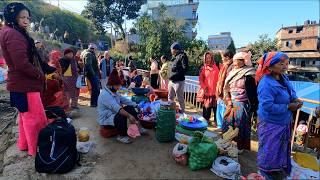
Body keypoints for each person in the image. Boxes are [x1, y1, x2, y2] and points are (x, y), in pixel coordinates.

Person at [0, 2, 56, 156]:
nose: (26, 20)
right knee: (35, 119)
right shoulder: (13, 34)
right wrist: (39, 74)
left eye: (27, 17)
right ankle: (37, 150)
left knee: (25, 118)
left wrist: (44, 69)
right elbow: (21, 63)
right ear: (12, 17)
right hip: (25, 85)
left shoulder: (11, 31)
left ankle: (25, 145)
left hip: (19, 84)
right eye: (21, 17)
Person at [256, 52, 302, 179]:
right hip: (270, 124)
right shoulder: (266, 83)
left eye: (286, 64)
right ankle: (266, 174)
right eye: (281, 64)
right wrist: (288, 106)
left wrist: (296, 99)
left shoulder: (284, 79)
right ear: (269, 67)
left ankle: (276, 170)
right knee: (269, 151)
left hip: (283, 122)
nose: (285, 66)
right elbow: (267, 106)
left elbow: (291, 93)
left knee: (279, 150)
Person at [97, 69, 146, 144]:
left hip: (114, 115)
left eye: (119, 85)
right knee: (120, 115)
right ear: (110, 85)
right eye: (117, 85)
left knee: (130, 108)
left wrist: (136, 105)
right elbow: (117, 108)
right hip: (106, 120)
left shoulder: (114, 92)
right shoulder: (105, 95)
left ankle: (139, 127)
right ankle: (121, 136)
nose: (119, 87)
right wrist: (129, 116)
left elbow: (124, 100)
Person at [223, 51, 257, 152]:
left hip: (242, 104)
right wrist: (228, 100)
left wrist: (254, 106)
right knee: (228, 124)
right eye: (235, 60)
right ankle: (228, 143)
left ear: (244, 61)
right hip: (231, 102)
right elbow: (226, 88)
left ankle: (240, 147)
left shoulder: (249, 73)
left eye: (239, 60)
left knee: (240, 126)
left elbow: (252, 92)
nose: (236, 62)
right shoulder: (232, 71)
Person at [199, 52, 219, 126]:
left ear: (212, 58)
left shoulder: (217, 66)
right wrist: (204, 87)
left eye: (209, 57)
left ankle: (216, 122)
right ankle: (205, 123)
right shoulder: (203, 68)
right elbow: (201, 80)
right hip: (207, 92)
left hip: (216, 93)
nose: (208, 59)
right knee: (206, 110)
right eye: (206, 58)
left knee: (216, 109)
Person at [215, 50, 234, 129]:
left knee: (223, 111)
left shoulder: (231, 66)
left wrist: (225, 92)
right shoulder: (225, 65)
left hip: (225, 93)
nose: (222, 59)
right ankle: (220, 126)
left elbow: (228, 81)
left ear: (227, 57)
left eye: (222, 57)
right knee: (219, 110)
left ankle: (224, 127)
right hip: (220, 92)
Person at [168, 42, 189, 113]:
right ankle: (170, 111)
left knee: (180, 98)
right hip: (171, 81)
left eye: (171, 49)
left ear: (175, 49)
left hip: (178, 81)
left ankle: (182, 113)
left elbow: (185, 68)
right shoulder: (174, 57)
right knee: (170, 97)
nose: (171, 51)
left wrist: (176, 74)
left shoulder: (183, 56)